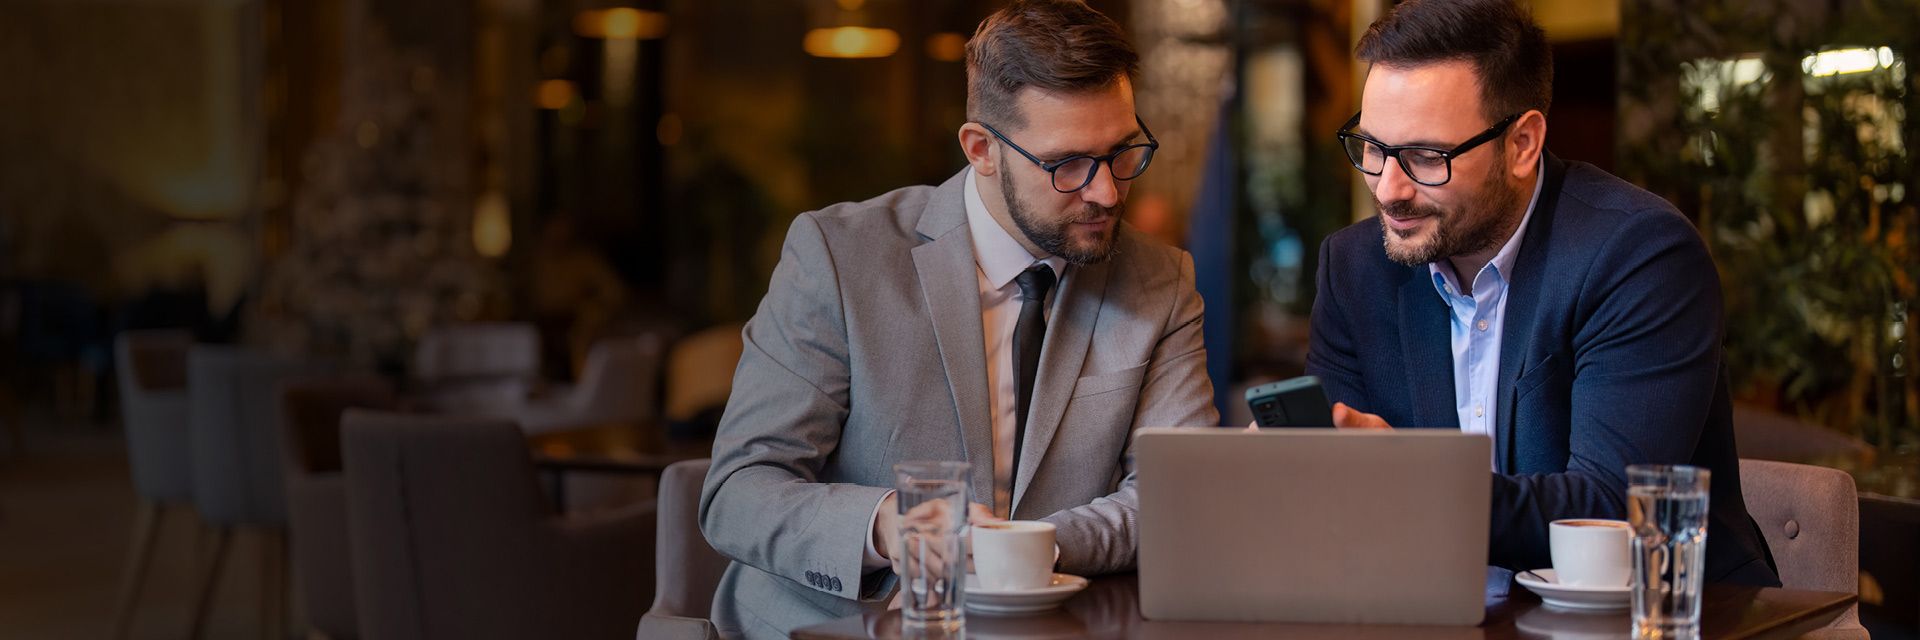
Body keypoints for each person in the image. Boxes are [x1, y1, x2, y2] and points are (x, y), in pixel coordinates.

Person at [698, 1, 1218, 637]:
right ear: (981, 150)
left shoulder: (1160, 283)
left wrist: (1025, 547)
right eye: (1068, 165)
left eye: (1123, 152)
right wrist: (891, 525)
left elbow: (1177, 500)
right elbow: (740, 493)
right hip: (840, 625)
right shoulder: (839, 257)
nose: (1107, 191)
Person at [1306, 0, 1780, 587]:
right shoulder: (1355, 268)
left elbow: (1610, 507)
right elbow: (1337, 495)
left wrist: (1413, 481)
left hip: (1658, 617)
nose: (1388, 189)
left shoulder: (1641, 255)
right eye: (1372, 148)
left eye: (1427, 157)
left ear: (1523, 143)